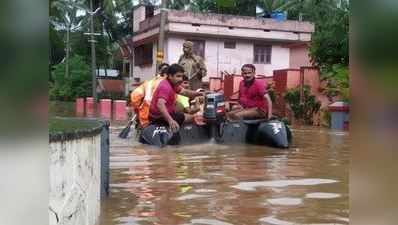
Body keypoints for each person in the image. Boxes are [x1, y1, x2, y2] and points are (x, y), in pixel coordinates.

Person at [149, 64, 204, 133]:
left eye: (181, 76)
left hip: (163, 114)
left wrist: (200, 93)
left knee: (184, 113)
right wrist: (170, 120)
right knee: (192, 117)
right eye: (178, 76)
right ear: (170, 76)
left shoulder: (173, 84)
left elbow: (185, 92)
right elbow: (160, 104)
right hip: (158, 117)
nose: (180, 79)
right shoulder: (165, 87)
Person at [130, 63, 169, 128]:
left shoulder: (148, 83)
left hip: (145, 118)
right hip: (163, 119)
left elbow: (135, 97)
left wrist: (138, 110)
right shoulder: (169, 85)